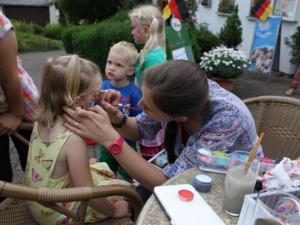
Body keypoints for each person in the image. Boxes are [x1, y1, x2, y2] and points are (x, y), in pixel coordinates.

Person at [63, 60, 262, 199]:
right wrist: (117, 118)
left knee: (140, 198)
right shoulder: (178, 89)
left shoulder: (225, 120)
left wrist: (110, 140)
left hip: (231, 188)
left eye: (147, 106)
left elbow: (169, 183)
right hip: (187, 176)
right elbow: (140, 129)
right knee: (137, 197)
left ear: (180, 118)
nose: (140, 104)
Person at [24, 55, 131, 225]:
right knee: (125, 189)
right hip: (59, 213)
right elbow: (86, 193)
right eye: (93, 95)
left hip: (36, 200)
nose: (96, 97)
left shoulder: (41, 119)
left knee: (98, 167)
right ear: (77, 101)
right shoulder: (73, 140)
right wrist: (114, 210)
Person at [0, 12, 39, 202]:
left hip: (18, 106)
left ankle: (41, 199)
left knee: (33, 161)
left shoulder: (1, 25)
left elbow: (9, 78)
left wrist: (15, 114)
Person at [99, 41, 142, 180]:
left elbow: (138, 121)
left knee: (127, 172)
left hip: (127, 143)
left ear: (130, 70)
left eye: (118, 65)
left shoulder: (134, 93)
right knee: (104, 169)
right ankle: (107, 192)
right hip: (105, 137)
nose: (111, 68)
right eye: (109, 62)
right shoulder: (102, 86)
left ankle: (126, 194)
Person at [129, 4, 167, 160]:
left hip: (150, 115)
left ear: (145, 30)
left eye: (134, 28)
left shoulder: (153, 58)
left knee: (150, 154)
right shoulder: (150, 52)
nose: (132, 32)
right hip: (146, 110)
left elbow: (153, 93)